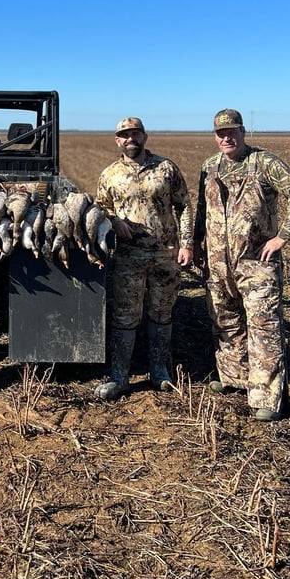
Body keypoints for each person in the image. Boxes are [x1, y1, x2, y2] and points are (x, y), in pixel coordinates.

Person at [193, 109, 290, 422]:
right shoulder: (210, 166)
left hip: (257, 263)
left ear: (243, 132)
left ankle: (267, 398)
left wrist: (282, 237)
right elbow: (202, 212)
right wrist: (196, 248)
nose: (226, 138)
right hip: (218, 263)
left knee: (264, 328)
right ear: (215, 136)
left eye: (232, 131)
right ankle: (234, 379)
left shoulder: (265, 162)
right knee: (226, 321)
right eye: (220, 133)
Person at [94, 117, 194, 399]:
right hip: (128, 257)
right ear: (117, 140)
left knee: (161, 313)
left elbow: (184, 206)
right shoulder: (110, 174)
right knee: (124, 315)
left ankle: (159, 371)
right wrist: (113, 221)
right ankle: (120, 377)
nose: (130, 139)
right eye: (124, 135)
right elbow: (101, 209)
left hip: (165, 254)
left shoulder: (165, 168)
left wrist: (186, 244)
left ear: (144, 137)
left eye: (135, 134)